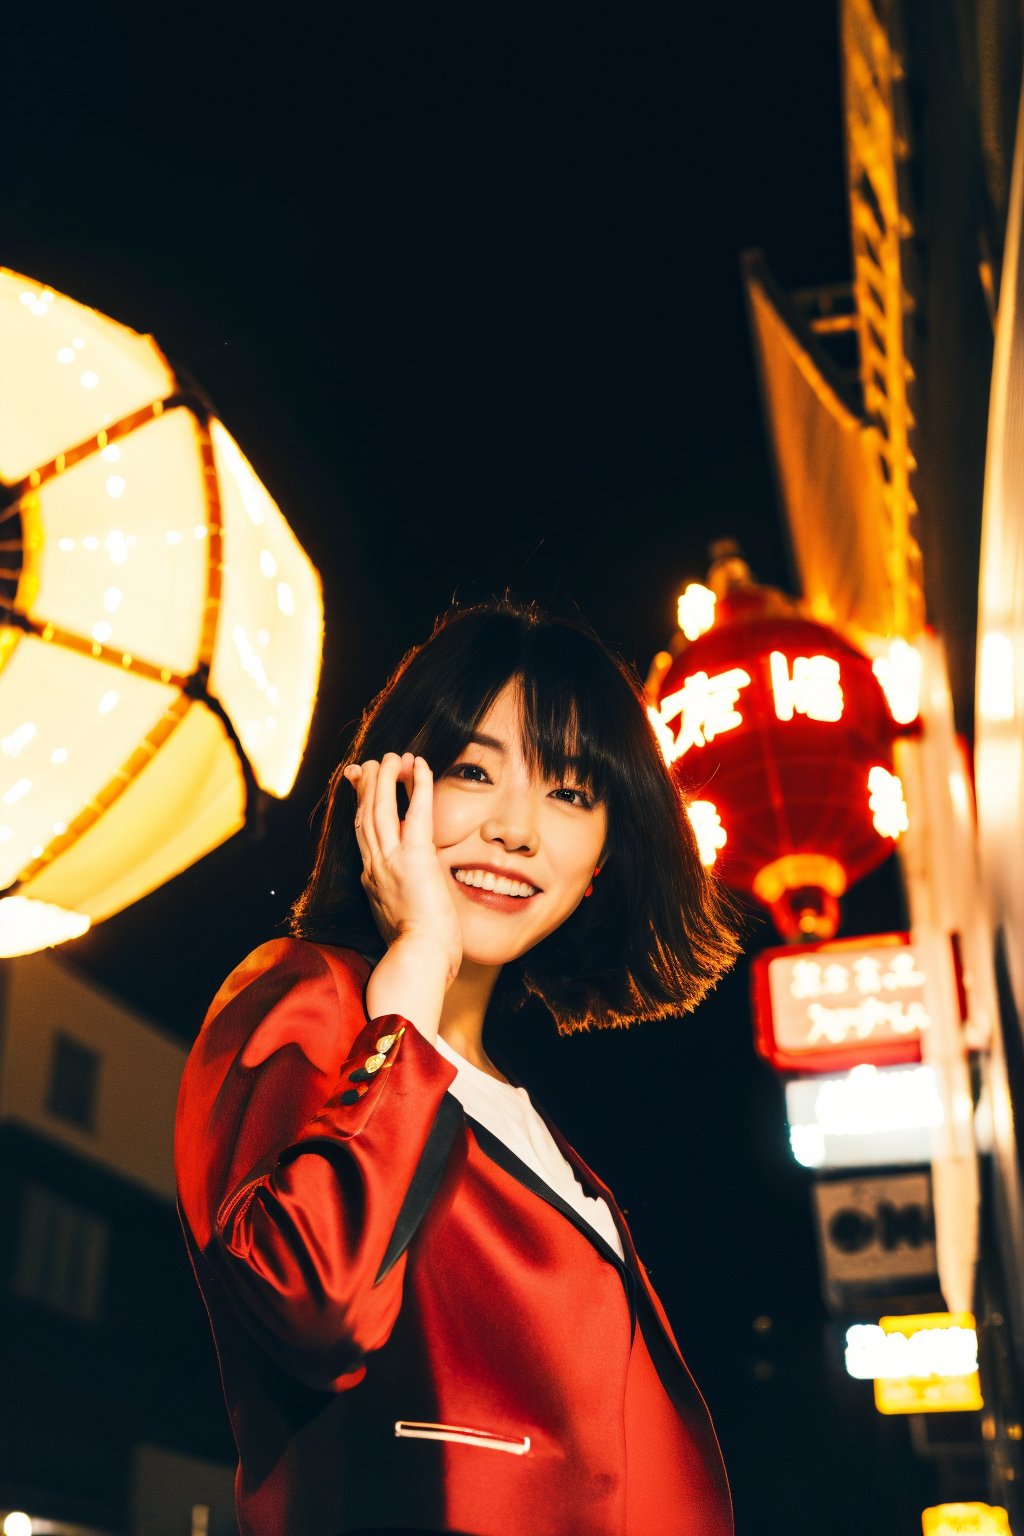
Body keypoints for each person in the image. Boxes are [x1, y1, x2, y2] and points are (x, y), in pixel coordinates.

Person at [175, 598, 741, 1536]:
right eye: (474, 771)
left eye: (570, 793)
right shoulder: (306, 997)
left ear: (601, 857)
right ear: (393, 794)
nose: (518, 830)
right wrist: (413, 984)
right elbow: (311, 1305)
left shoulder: (535, 1126)